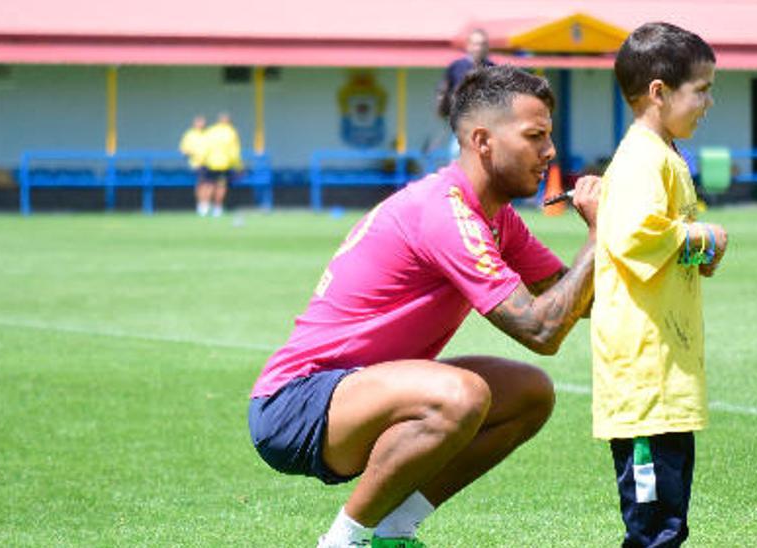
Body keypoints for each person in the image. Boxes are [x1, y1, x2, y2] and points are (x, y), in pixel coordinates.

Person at [248, 65, 600, 548]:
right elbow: (541, 330)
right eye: (535, 136)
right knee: (461, 396)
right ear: (483, 140)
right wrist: (599, 238)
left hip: (360, 394)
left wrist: (647, 242)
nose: (550, 152)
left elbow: (576, 301)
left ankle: (392, 531)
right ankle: (343, 541)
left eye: (549, 137)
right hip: (297, 402)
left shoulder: (498, 219)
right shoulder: (443, 210)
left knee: (529, 394)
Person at [591, 22, 728, 547]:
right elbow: (634, 235)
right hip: (645, 382)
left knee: (666, 520)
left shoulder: (666, 155)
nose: (709, 102)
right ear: (658, 92)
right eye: (702, 89)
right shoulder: (643, 159)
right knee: (653, 528)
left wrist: (699, 253)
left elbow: (667, 244)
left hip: (666, 375)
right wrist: (705, 237)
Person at [435, 28, 494, 158]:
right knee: (456, 154)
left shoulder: (493, 68)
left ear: (487, 47)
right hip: (461, 121)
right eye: (475, 44)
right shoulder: (456, 66)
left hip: (486, 122)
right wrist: (442, 109)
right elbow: (444, 89)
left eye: (482, 44)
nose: (479, 48)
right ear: (468, 46)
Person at [203, 112, 243, 217]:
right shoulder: (231, 132)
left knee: (209, 185)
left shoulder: (211, 130)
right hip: (224, 164)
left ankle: (205, 207)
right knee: (221, 186)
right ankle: (217, 207)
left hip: (210, 162)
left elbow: (205, 147)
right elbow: (235, 151)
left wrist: (203, 160)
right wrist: (239, 166)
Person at [179, 115, 213, 216]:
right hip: (197, 164)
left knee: (210, 184)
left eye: (202, 122)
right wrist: (192, 153)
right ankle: (201, 205)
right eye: (199, 122)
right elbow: (183, 150)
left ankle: (207, 204)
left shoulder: (209, 134)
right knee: (201, 184)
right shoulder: (189, 134)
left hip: (211, 163)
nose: (201, 124)